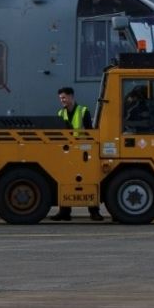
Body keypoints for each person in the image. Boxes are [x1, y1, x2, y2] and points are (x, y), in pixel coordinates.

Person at [50, 86, 103, 222]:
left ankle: (94, 212)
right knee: (65, 180)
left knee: (88, 180)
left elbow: (90, 132)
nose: (62, 100)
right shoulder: (60, 114)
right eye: (60, 98)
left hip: (83, 151)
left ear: (71, 97)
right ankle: (64, 212)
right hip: (68, 152)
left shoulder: (83, 111)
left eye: (64, 98)